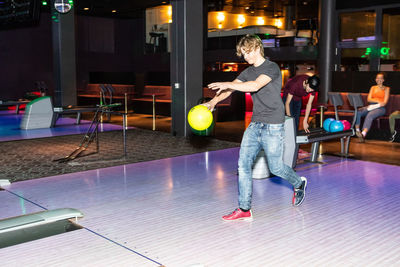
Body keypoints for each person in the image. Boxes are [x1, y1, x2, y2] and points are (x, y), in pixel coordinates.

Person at [204, 34, 307, 221]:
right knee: (243, 165)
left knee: (276, 168)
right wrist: (212, 102)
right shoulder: (246, 72)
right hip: (255, 123)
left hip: (274, 124)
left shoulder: (271, 67)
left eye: (248, 52)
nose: (246, 57)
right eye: (243, 54)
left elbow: (256, 85)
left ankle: (299, 182)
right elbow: (230, 89)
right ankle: (244, 208)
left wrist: (227, 83)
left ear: (258, 47)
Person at [355, 72, 390, 142]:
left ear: (383, 80)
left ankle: (363, 134)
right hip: (371, 106)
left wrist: (375, 100)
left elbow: (384, 103)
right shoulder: (373, 87)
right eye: (377, 78)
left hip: (380, 108)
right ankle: (357, 130)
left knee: (370, 115)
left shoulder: (386, 89)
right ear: (375, 79)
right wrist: (379, 100)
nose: (378, 79)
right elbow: (369, 99)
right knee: (358, 111)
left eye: (380, 78)